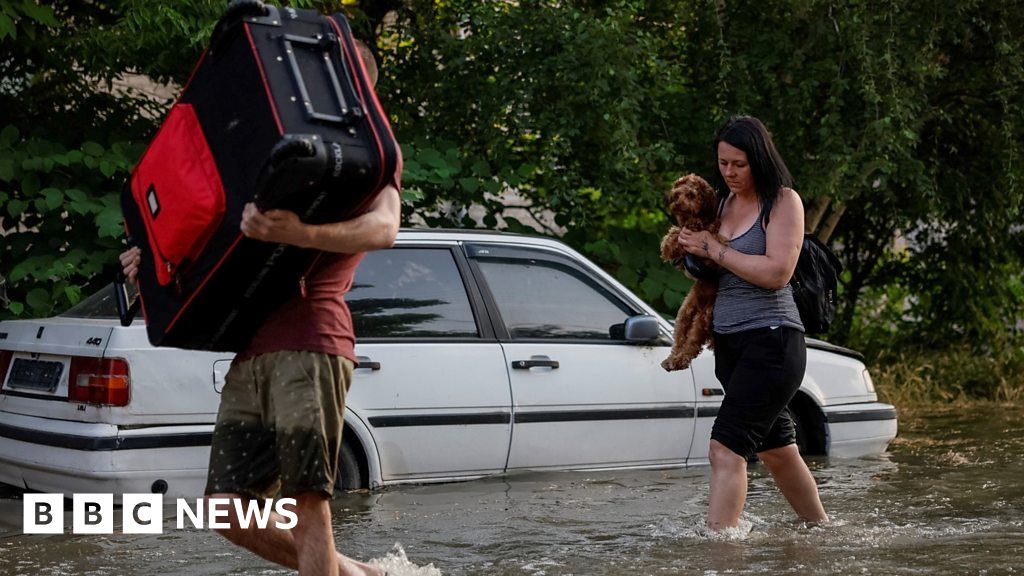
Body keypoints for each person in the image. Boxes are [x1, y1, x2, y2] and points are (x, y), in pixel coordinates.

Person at [120, 40, 396, 576]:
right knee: (225, 508)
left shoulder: (371, 153)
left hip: (311, 341)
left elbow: (385, 228)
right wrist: (150, 263)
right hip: (252, 348)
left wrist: (303, 232)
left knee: (304, 502)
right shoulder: (268, 143)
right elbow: (211, 237)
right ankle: (364, 574)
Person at [675, 115, 829, 531]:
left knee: (725, 449)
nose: (729, 172)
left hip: (773, 343)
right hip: (730, 345)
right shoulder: (722, 204)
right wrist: (694, 253)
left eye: (738, 164)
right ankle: (822, 532)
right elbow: (716, 272)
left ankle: (720, 551)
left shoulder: (783, 201)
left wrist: (714, 249)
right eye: (723, 163)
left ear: (758, 158)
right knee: (778, 450)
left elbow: (777, 271)